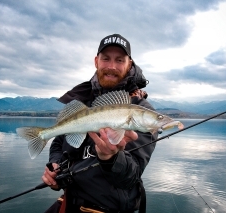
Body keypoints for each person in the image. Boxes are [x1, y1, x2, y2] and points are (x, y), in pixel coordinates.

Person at [42, 34, 158, 213]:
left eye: (119, 60)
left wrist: (111, 158)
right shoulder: (83, 101)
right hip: (69, 202)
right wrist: (55, 166)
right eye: (106, 59)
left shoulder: (141, 113)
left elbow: (132, 174)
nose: (111, 66)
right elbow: (59, 143)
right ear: (96, 61)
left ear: (130, 64)